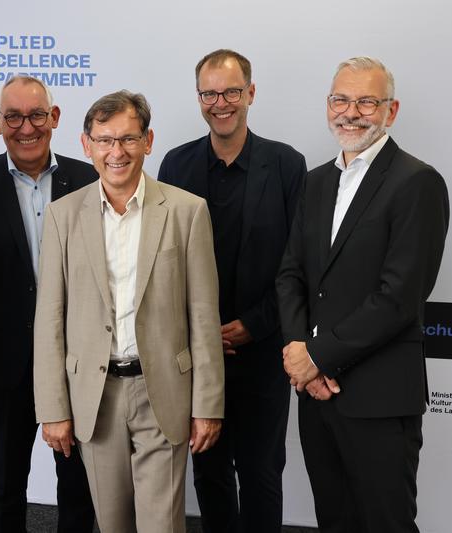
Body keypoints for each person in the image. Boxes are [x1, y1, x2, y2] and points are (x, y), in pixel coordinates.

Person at [33, 90, 225, 533]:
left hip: (162, 391)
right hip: (94, 397)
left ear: (148, 141)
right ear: (86, 145)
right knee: (113, 523)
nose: (116, 152)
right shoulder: (63, 216)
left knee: (162, 525)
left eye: (127, 139)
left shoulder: (186, 211)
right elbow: (50, 319)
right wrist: (53, 408)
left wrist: (208, 405)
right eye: (104, 140)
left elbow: (202, 314)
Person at [277, 57, 450, 533]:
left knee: (385, 524)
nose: (350, 112)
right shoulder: (315, 182)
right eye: (340, 100)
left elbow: (399, 298)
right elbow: (290, 274)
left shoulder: (417, 183)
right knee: (333, 521)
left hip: (378, 397)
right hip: (316, 397)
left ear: (390, 112)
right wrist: (300, 355)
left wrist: (318, 356)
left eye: (366, 101)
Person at [158, 49, 306, 532]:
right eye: (209, 93)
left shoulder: (286, 165)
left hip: (262, 350)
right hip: (197, 356)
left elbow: (296, 261)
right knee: (210, 472)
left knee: (262, 473)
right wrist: (200, 333)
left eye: (231, 92)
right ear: (199, 97)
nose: (220, 103)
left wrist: (255, 325)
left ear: (251, 94)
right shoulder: (175, 165)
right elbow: (162, 261)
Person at [0, 76, 95, 533]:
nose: (26, 127)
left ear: (55, 119)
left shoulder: (89, 178)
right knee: (8, 483)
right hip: (7, 366)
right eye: (13, 117)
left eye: (37, 115)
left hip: (76, 361)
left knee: (77, 484)